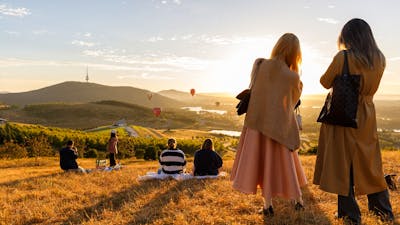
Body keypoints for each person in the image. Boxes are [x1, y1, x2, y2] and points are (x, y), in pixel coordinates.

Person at [313, 18, 394, 224]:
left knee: (344, 164)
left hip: (345, 113)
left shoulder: (343, 57)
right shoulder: (380, 58)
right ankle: (382, 210)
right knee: (370, 163)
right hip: (368, 114)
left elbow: (324, 82)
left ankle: (350, 214)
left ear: (347, 36)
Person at [230, 33, 307, 216]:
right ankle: (298, 200)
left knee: (262, 163)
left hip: (256, 125)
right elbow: (293, 102)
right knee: (286, 163)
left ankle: (267, 205)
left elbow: (254, 89)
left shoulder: (259, 65)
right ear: (295, 53)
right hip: (280, 127)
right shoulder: (293, 77)